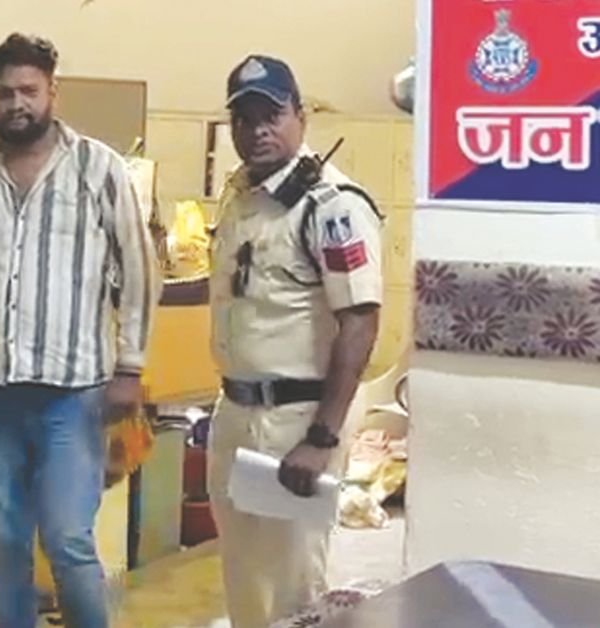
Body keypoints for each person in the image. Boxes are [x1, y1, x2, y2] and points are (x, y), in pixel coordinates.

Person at [0, 33, 160, 628]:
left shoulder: (98, 169)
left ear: (53, 91)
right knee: (4, 538)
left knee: (67, 539)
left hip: (72, 396)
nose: (16, 104)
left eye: (28, 90)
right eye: (4, 93)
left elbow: (139, 270)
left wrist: (131, 366)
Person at [207, 54, 383, 627]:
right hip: (237, 411)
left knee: (295, 587)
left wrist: (321, 437)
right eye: (244, 118)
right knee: (243, 579)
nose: (257, 130)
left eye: (272, 115)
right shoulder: (242, 196)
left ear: (301, 117)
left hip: (297, 421)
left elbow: (360, 321)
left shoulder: (333, 207)